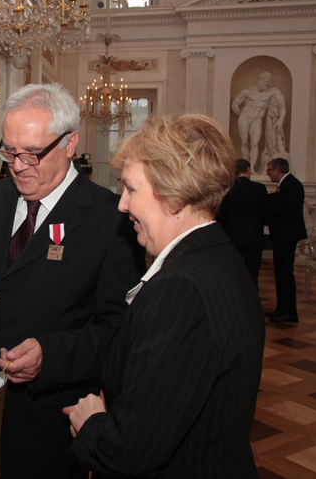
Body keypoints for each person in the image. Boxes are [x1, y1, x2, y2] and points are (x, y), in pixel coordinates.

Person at [0, 83, 146, 479]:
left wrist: (51, 355)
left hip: (47, 414)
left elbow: (118, 329)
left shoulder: (110, 218)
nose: (18, 164)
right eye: (9, 150)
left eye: (32, 152)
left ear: (70, 143)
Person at [64, 114, 266, 478]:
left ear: (173, 196)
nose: (122, 205)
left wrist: (91, 419)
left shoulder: (181, 289)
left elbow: (128, 453)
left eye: (131, 189)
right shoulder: (220, 255)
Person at [265, 157, 308, 323]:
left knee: (285, 273)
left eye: (269, 170)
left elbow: (289, 209)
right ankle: (282, 308)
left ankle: (289, 311)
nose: (268, 173)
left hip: (287, 235)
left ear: (277, 170)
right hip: (284, 234)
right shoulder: (287, 183)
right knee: (281, 272)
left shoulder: (290, 184)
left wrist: (268, 214)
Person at [217, 158, 270, 290]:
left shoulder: (226, 190)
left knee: (231, 273)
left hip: (231, 236)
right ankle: (252, 306)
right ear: (248, 170)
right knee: (252, 274)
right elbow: (266, 214)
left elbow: (220, 215)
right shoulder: (259, 189)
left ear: (233, 173)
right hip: (254, 236)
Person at [231, 71, 286, 173]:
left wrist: (281, 119)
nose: (266, 83)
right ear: (259, 80)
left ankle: (250, 168)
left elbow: (282, 106)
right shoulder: (248, 91)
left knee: (254, 143)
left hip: (257, 119)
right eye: (264, 81)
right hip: (245, 116)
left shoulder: (272, 92)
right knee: (244, 141)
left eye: (267, 81)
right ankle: (245, 166)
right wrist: (242, 114)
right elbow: (235, 105)